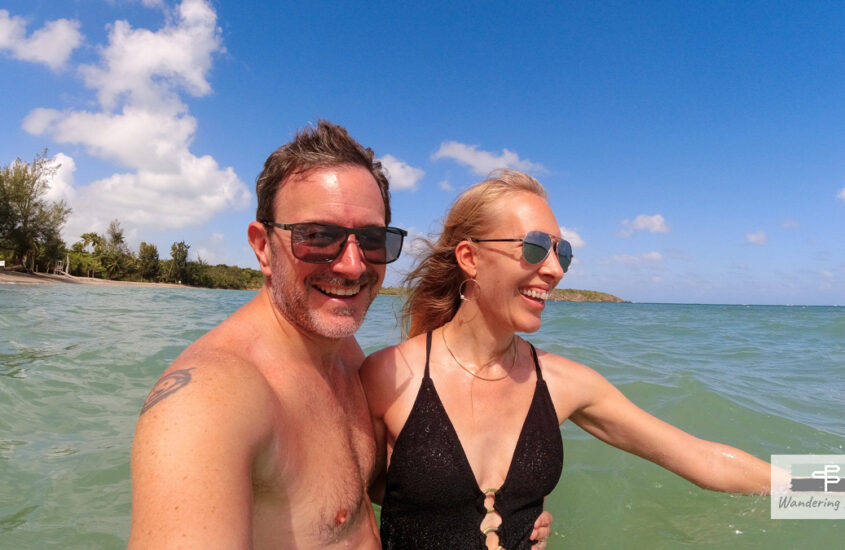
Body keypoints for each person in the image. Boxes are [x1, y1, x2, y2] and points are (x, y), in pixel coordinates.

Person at [361, 170, 772, 550]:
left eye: (564, 253)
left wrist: (828, 492)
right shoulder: (390, 376)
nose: (556, 270)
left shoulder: (564, 384)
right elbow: (348, 501)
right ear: (470, 258)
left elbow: (702, 460)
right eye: (536, 247)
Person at [128, 120, 402, 548]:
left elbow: (368, 489)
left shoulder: (342, 346)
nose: (353, 265)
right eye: (317, 236)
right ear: (262, 246)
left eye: (372, 239)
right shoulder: (206, 402)